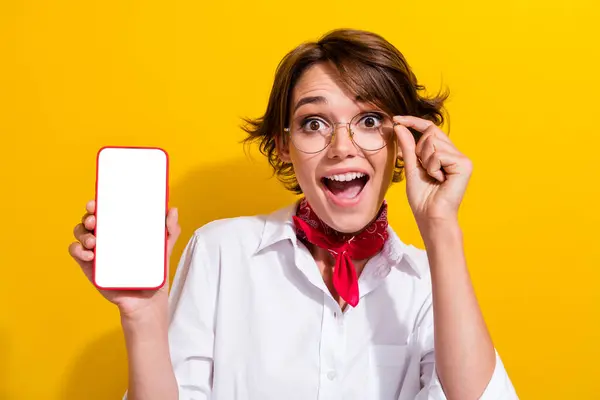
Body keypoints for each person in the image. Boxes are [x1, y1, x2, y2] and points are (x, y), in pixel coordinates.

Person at [69, 29, 518, 399]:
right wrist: (142, 315)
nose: (342, 147)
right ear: (283, 146)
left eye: (368, 121)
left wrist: (441, 229)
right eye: (313, 123)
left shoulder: (428, 283)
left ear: (404, 142)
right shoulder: (219, 252)